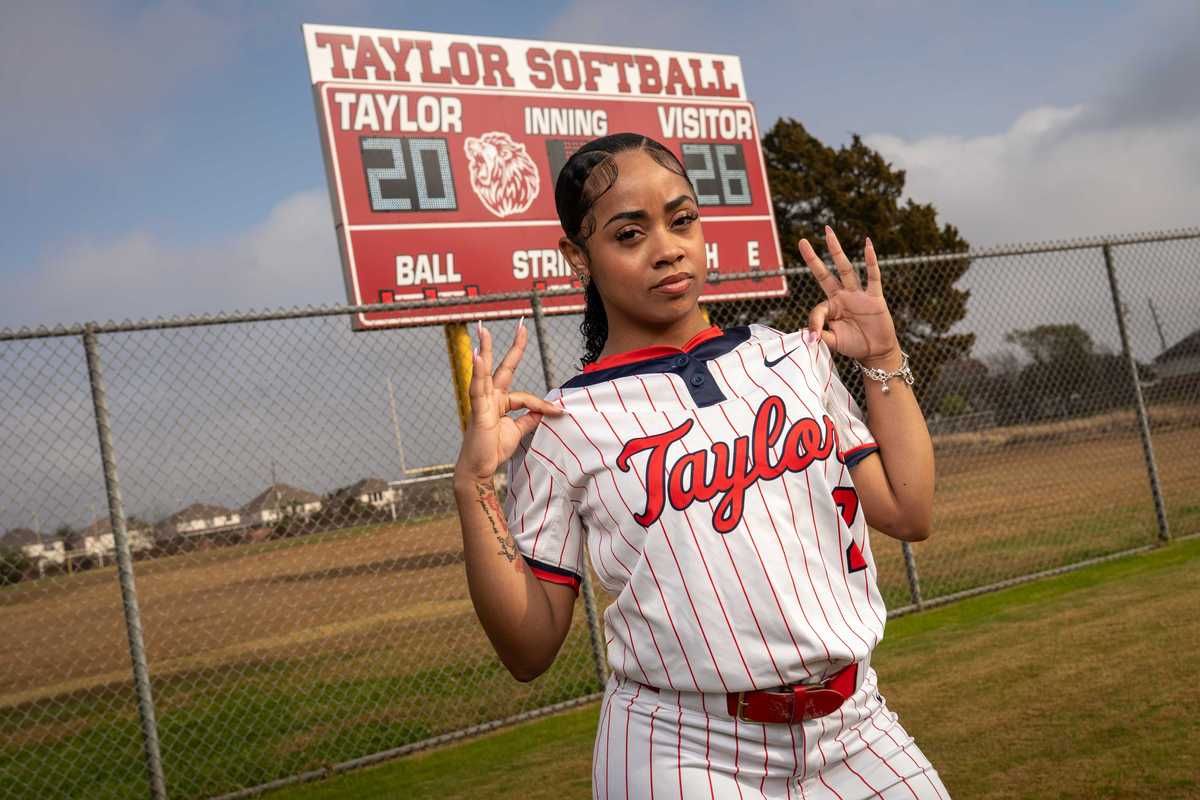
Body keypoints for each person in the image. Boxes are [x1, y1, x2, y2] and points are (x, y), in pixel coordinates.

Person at [454, 132, 948, 799]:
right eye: (630, 234)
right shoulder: (564, 422)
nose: (667, 249)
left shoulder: (791, 357)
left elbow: (909, 510)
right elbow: (528, 649)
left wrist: (883, 355)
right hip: (682, 746)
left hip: (855, 723)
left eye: (681, 220)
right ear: (577, 256)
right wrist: (475, 484)